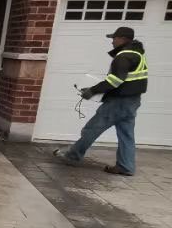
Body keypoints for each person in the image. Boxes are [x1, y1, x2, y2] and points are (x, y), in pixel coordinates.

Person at [54, 25, 149, 176]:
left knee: (91, 129)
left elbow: (115, 81)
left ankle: (72, 156)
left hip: (119, 102)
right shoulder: (138, 54)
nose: (112, 42)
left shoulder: (124, 56)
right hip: (132, 101)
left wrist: (92, 91)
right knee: (126, 134)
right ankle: (126, 166)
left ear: (122, 39)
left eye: (114, 38)